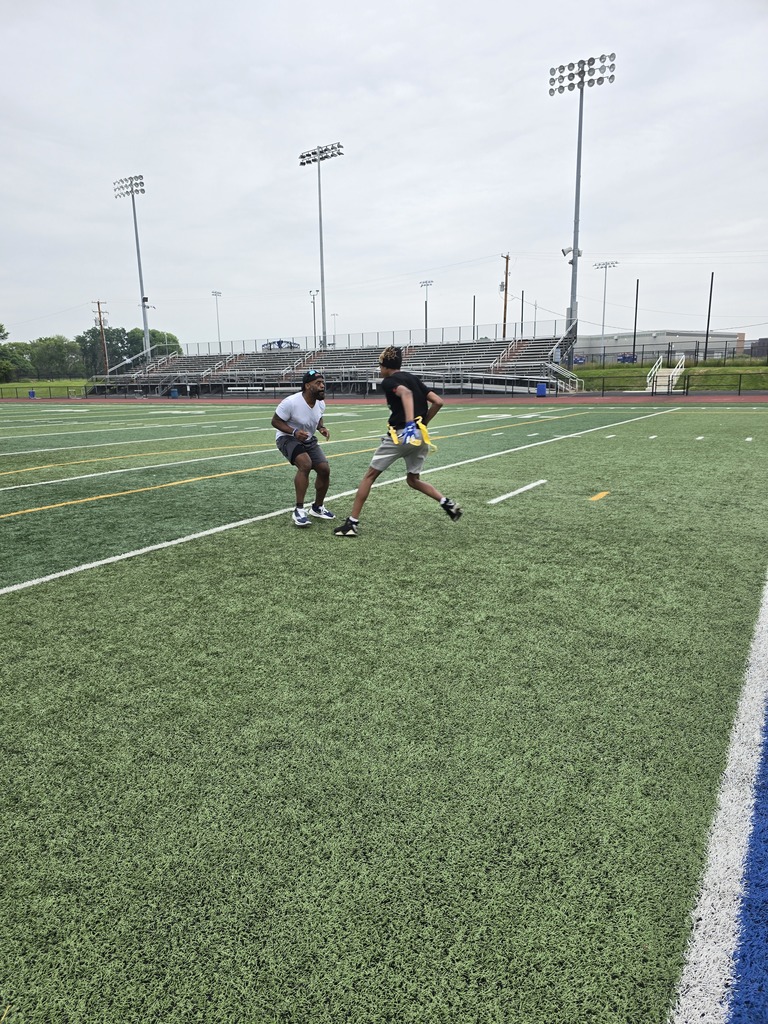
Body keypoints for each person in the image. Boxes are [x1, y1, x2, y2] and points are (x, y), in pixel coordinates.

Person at [334, 346, 462, 537]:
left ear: (385, 366)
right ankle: (445, 502)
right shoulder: (413, 378)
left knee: (369, 476)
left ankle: (351, 523)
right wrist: (422, 423)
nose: (379, 369)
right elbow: (438, 401)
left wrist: (410, 424)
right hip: (420, 436)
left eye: (380, 366)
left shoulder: (389, 381)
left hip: (401, 435)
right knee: (413, 480)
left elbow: (406, 394)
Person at [272, 369, 335, 527]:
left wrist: (321, 428)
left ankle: (317, 508)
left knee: (324, 470)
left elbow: (318, 416)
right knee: (305, 464)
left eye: (323, 383)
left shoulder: (320, 403)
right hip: (287, 438)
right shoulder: (291, 402)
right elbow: (275, 422)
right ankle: (299, 510)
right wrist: (293, 431)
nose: (322, 386)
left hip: (307, 438)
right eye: (318, 383)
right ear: (307, 386)